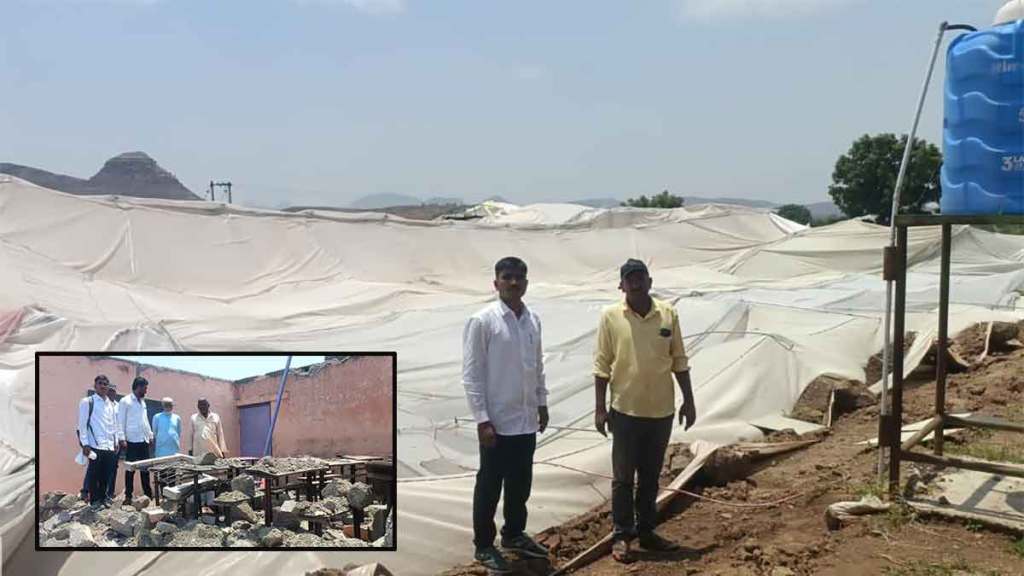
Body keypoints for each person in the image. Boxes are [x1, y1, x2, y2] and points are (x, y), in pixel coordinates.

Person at [593, 259, 697, 564]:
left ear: (650, 281)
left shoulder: (668, 314)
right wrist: (600, 409)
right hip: (625, 410)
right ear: (621, 285)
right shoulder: (610, 316)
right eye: (629, 279)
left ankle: (648, 532)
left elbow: (679, 359)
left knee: (651, 477)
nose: (635, 283)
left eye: (640, 278)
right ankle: (623, 535)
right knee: (623, 478)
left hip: (661, 410)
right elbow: (601, 365)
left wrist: (688, 400)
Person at [462, 256, 550, 574]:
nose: (514, 282)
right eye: (508, 277)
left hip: (525, 419)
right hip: (497, 423)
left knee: (520, 483)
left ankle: (513, 534)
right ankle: (484, 545)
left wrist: (541, 403)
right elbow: (472, 375)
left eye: (520, 277)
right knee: (489, 484)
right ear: (496, 282)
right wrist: (482, 419)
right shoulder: (483, 321)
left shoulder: (532, 320)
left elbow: (536, 367)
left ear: (526, 282)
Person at [77, 374, 119, 507]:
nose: (103, 386)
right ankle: (94, 501)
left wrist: (116, 441)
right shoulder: (88, 402)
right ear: (95, 386)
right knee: (94, 475)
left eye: (105, 384)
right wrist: (85, 444)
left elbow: (114, 425)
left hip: (109, 446)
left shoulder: (111, 405)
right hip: (94, 445)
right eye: (100, 383)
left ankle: (103, 499)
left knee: (106, 475)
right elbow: (82, 425)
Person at [118, 376, 154, 502]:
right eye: (145, 388)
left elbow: (144, 421)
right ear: (138, 387)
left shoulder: (142, 403)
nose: (146, 391)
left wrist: (150, 435)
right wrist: (122, 438)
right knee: (130, 470)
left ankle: (148, 496)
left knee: (145, 469)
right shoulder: (125, 401)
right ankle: (128, 496)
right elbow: (120, 421)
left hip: (143, 440)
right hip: (131, 441)